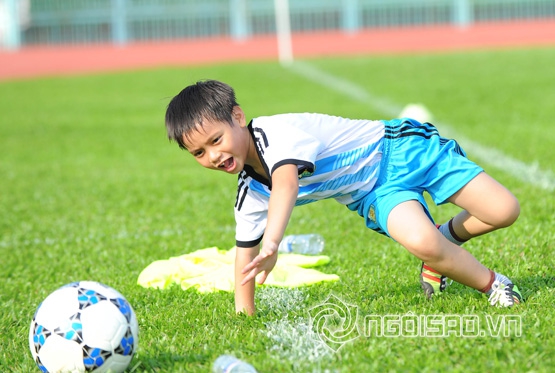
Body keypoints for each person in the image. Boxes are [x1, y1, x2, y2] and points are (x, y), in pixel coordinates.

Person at [164, 79, 523, 315]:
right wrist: (245, 314)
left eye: (215, 140)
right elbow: (245, 255)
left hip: (401, 150)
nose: (212, 156)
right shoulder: (250, 193)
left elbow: (286, 184)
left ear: (238, 117)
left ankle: (444, 245)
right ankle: (495, 285)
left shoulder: (272, 133)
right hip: (374, 192)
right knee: (421, 241)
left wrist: (273, 244)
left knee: (504, 210)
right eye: (198, 153)